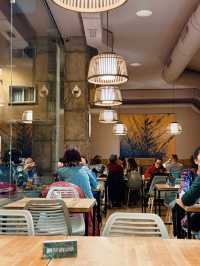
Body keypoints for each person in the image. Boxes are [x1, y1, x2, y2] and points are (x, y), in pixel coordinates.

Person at [172, 146, 200, 237]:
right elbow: (185, 193)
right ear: (195, 161)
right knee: (177, 206)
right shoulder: (189, 173)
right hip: (190, 206)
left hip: (194, 209)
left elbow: (186, 198)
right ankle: (180, 235)